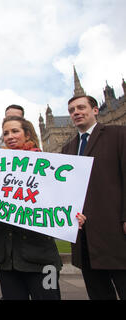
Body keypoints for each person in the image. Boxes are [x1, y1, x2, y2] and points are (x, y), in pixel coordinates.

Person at [0, 116, 85, 300]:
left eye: (15, 131)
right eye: (6, 133)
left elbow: (65, 201)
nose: (9, 136)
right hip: (8, 260)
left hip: (42, 259)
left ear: (27, 134)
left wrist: (74, 216)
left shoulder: (48, 165)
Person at [61, 93, 126, 300]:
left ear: (95, 110)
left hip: (115, 232)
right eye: (72, 110)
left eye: (81, 108)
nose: (76, 113)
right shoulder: (67, 149)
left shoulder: (118, 134)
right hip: (84, 237)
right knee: (98, 293)